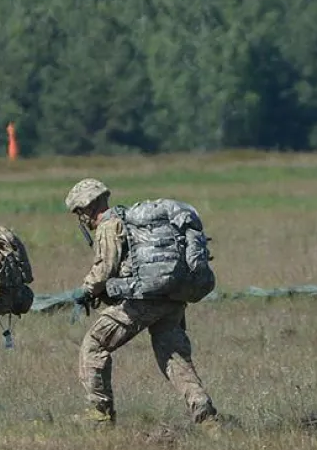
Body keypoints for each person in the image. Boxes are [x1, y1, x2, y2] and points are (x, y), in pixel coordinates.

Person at [64, 178, 221, 428]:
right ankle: (206, 416)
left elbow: (105, 268)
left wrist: (86, 290)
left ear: (87, 208)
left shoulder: (108, 225)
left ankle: (99, 415)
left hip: (142, 301)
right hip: (172, 298)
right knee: (174, 357)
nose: (81, 218)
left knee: (94, 345)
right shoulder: (130, 220)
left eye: (79, 212)